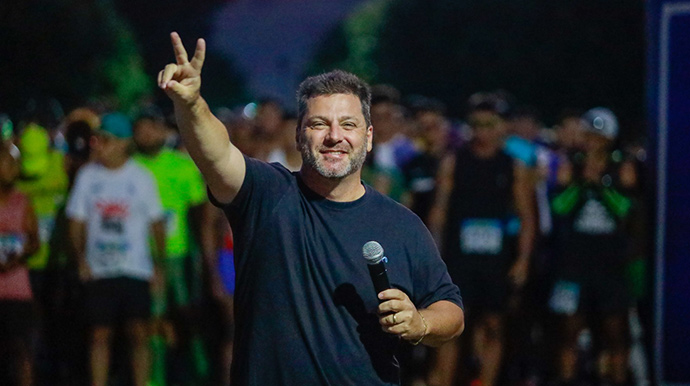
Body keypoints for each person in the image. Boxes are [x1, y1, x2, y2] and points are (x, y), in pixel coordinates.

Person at [158, 32, 464, 385]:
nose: (334, 136)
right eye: (319, 124)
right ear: (299, 134)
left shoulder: (401, 224)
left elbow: (451, 312)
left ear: (367, 136)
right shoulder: (265, 194)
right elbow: (216, 153)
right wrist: (192, 104)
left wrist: (420, 322)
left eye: (348, 124)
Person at [427, 96, 536, 386]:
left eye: (489, 125)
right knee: (452, 325)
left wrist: (523, 261)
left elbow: (527, 216)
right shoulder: (454, 161)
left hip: (496, 260)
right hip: (458, 257)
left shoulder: (513, 166)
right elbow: (439, 211)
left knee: (494, 325)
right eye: (476, 125)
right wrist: (433, 256)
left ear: (501, 127)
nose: (482, 131)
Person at [66, 112, 166, 386]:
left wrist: (159, 266)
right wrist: (81, 260)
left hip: (135, 267)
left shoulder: (141, 177)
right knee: (99, 334)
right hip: (99, 268)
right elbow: (76, 221)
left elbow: (156, 224)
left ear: (123, 143)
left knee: (139, 332)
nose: (99, 145)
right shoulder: (88, 176)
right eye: (98, 140)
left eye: (107, 140)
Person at [548, 107, 633, 386]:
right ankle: (567, 379)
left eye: (599, 138)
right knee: (568, 329)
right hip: (573, 263)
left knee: (615, 330)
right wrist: (582, 183)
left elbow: (624, 210)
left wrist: (602, 185)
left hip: (610, 263)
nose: (593, 143)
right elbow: (559, 207)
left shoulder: (623, 166)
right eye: (589, 136)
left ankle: (616, 378)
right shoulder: (569, 164)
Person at [132, 108, 210, 385]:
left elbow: (199, 212)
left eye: (151, 128)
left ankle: (201, 368)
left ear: (162, 131)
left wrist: (200, 254)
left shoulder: (182, 165)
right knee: (154, 318)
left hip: (180, 254)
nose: (146, 135)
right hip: (144, 257)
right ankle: (156, 376)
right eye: (140, 129)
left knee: (189, 315)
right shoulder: (131, 167)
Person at [0, 146, 40, 386]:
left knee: (22, 350)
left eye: (15, 164)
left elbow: (34, 241)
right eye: (7, 163)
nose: (13, 169)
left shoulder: (22, 200)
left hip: (17, 289)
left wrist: (16, 257)